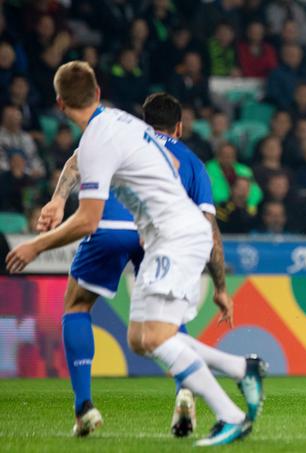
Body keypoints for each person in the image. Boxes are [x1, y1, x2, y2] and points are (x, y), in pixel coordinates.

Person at [5, 63, 259, 446]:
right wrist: (62, 200)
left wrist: (35, 244)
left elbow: (89, 220)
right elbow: (160, 163)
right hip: (163, 234)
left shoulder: (98, 137)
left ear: (58, 103)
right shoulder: (119, 123)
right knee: (142, 337)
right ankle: (243, 368)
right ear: (98, 89)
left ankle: (231, 415)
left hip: (172, 235)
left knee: (149, 334)